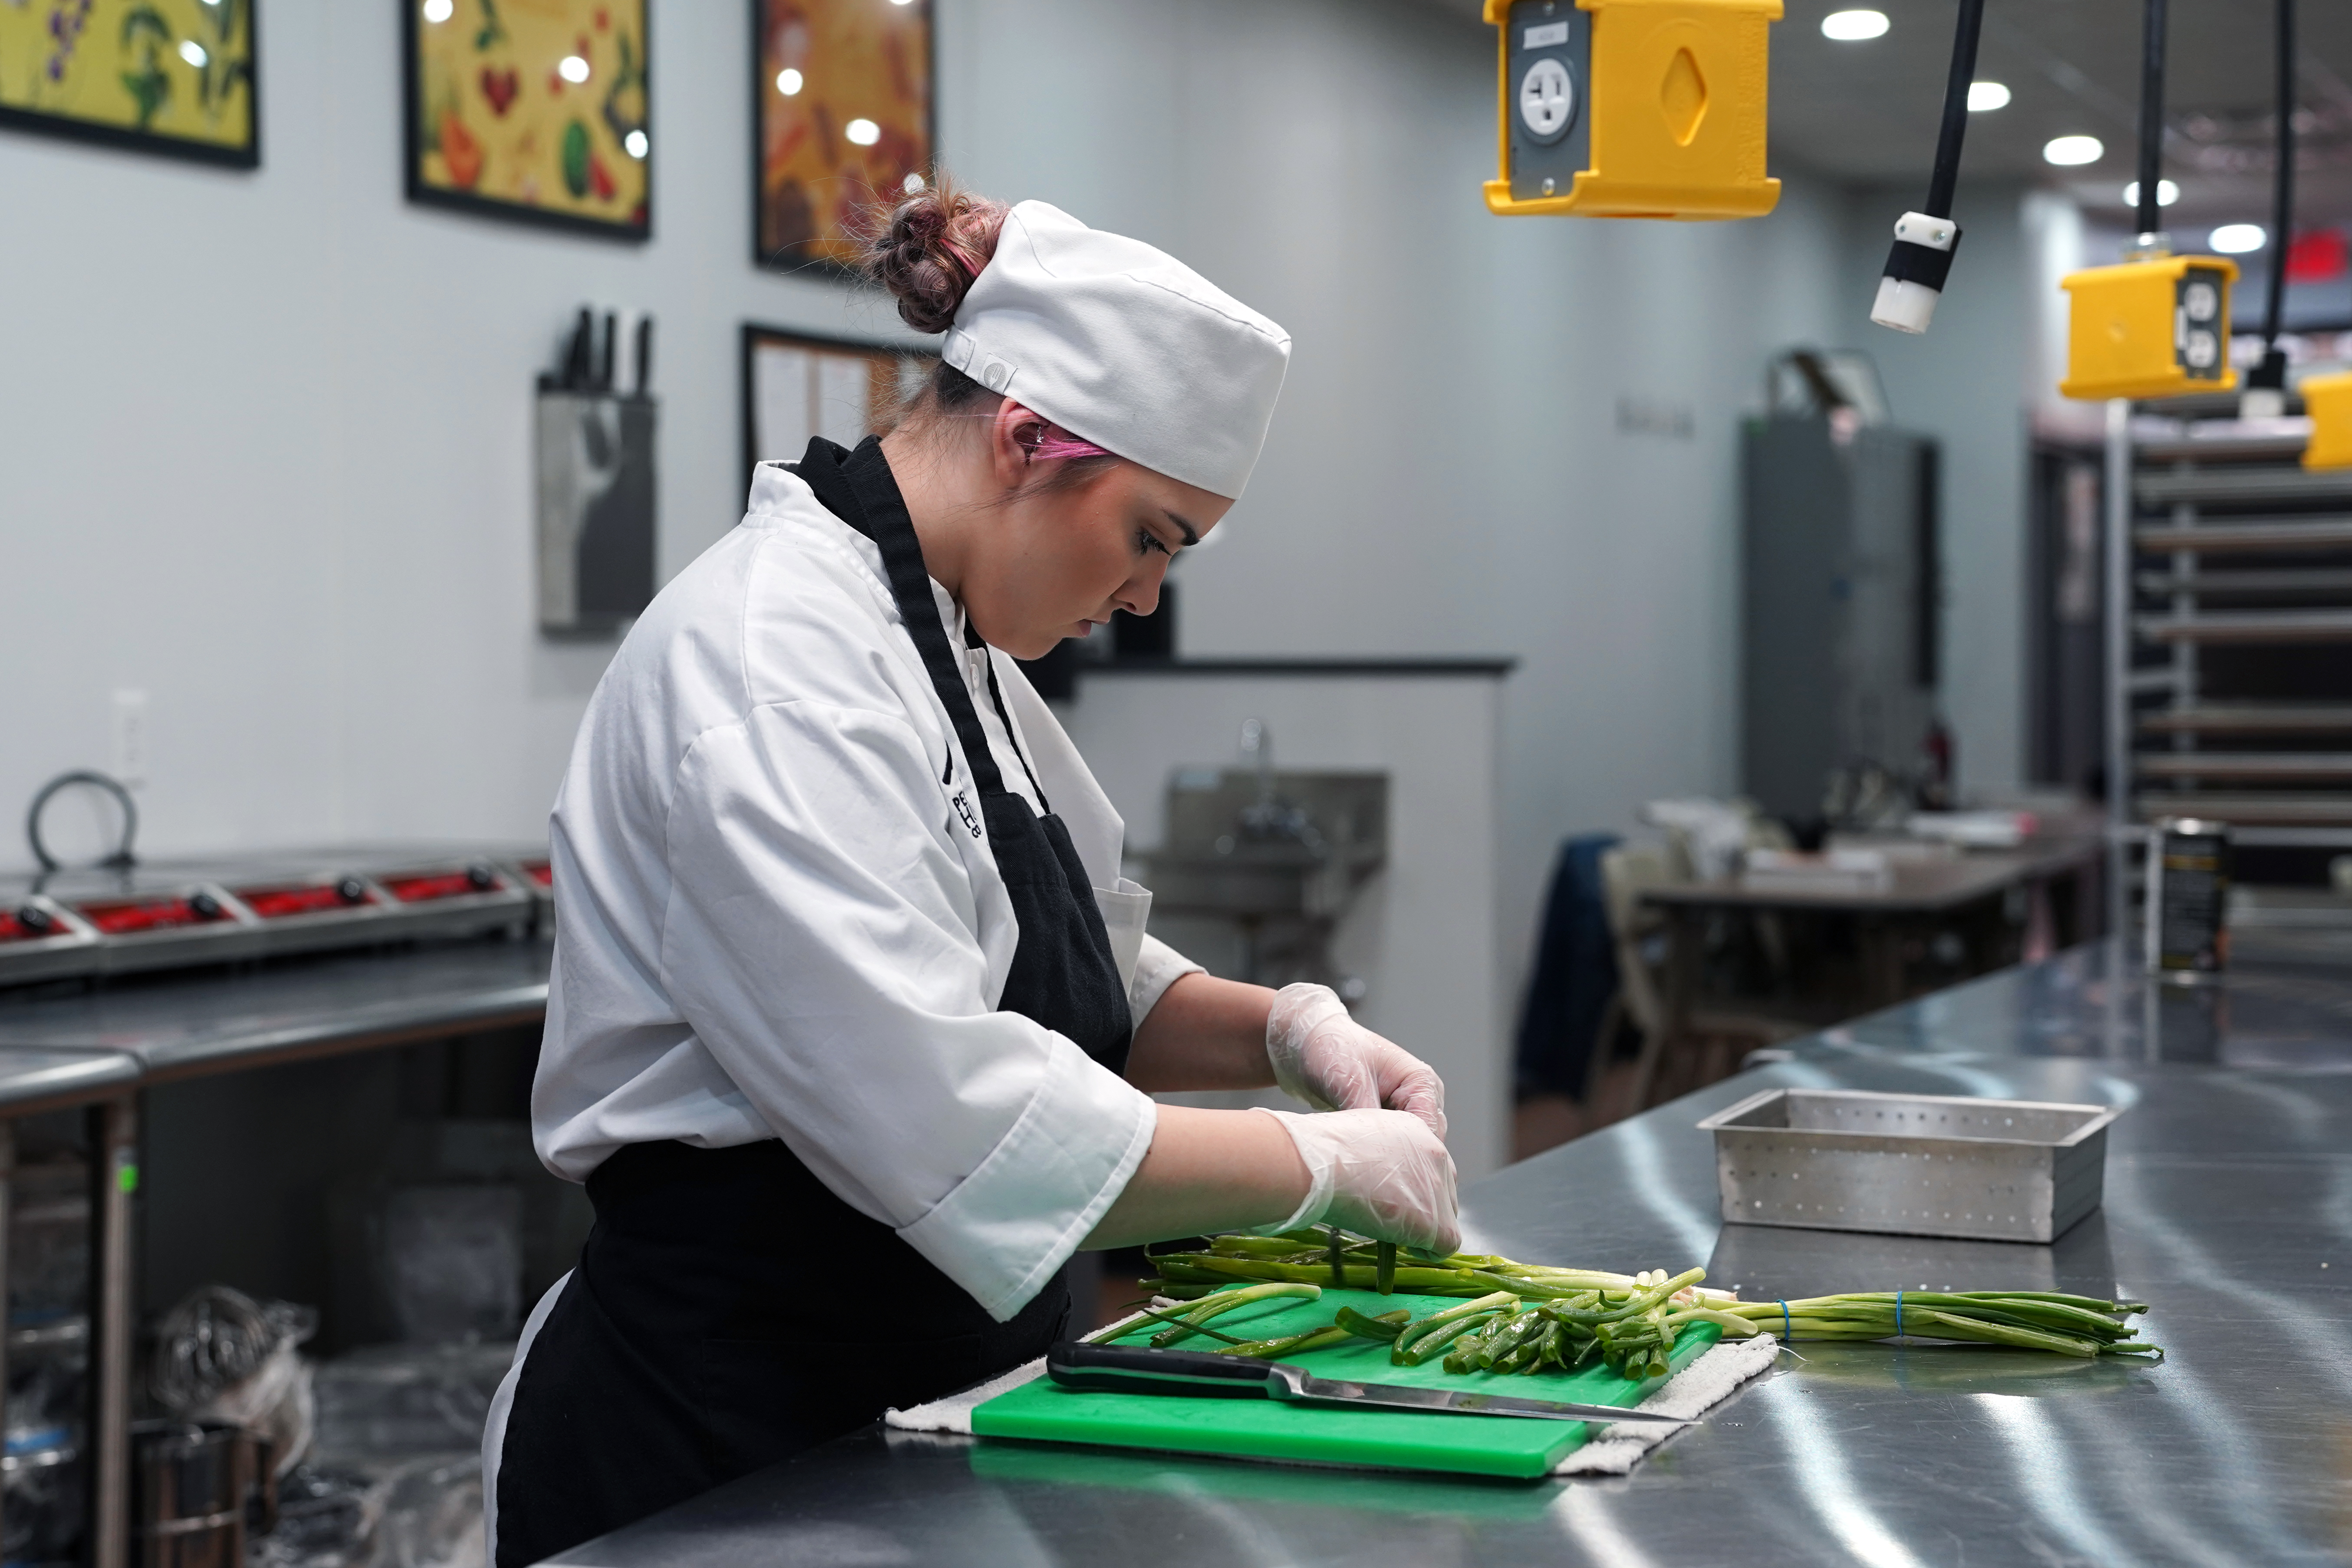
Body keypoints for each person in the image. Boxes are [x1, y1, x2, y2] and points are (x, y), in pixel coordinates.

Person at [481, 182, 1460, 1566]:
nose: (1144, 601)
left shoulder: (948, 646)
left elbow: (1063, 966)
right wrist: (1321, 1168)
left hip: (911, 1404)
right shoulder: (773, 666)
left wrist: (1285, 1029)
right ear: (1025, 441)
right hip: (719, 1440)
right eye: (1151, 539)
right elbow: (958, 1119)